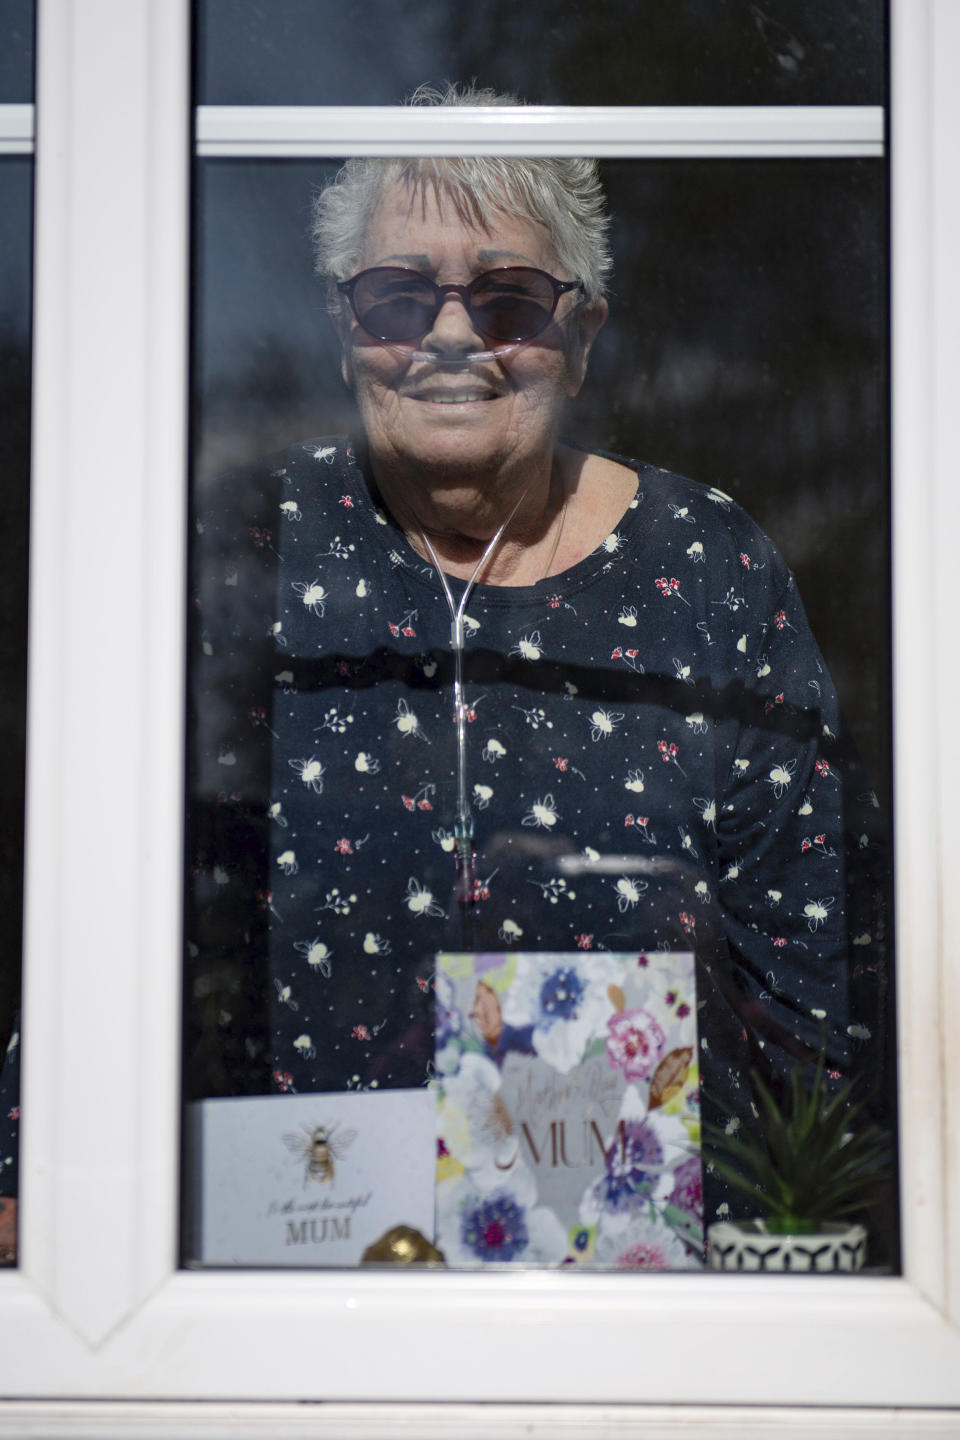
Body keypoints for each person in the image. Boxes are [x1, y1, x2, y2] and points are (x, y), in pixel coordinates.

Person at [186, 84, 890, 1246]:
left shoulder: (706, 565)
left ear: (585, 334)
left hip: (634, 1271)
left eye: (508, 297)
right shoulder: (248, 543)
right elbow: (121, 898)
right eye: (398, 295)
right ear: (340, 323)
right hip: (290, 1258)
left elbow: (819, 954)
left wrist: (809, 1246)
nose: (452, 336)